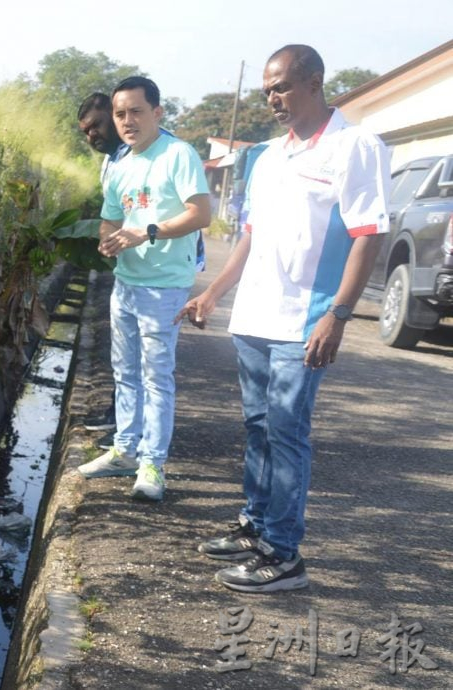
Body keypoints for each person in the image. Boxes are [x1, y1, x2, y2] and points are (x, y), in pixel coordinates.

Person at [178, 45, 391, 592]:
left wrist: (338, 316)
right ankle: (256, 524)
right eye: (268, 89)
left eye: (283, 87)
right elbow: (250, 237)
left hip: (305, 321)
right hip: (254, 317)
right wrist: (215, 294)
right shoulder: (266, 156)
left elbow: (368, 237)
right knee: (257, 427)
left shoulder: (354, 147)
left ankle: (284, 554)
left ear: (315, 82)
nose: (273, 97)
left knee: (287, 432)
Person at [77, 76, 211, 502]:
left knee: (157, 377)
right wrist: (107, 238)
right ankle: (124, 450)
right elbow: (111, 218)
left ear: (157, 112)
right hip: (127, 283)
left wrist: (146, 232)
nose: (127, 121)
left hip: (164, 286)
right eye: (120, 114)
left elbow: (201, 214)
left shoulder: (178, 154)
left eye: (136, 111)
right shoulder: (120, 164)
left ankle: (153, 462)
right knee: (125, 373)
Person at [77, 93, 130, 449]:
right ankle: (118, 417)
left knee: (143, 362)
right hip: (129, 267)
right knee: (124, 354)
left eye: (96, 125)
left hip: (159, 271)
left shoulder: (144, 154)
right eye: (85, 131)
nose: (91, 136)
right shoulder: (111, 161)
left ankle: (129, 434)